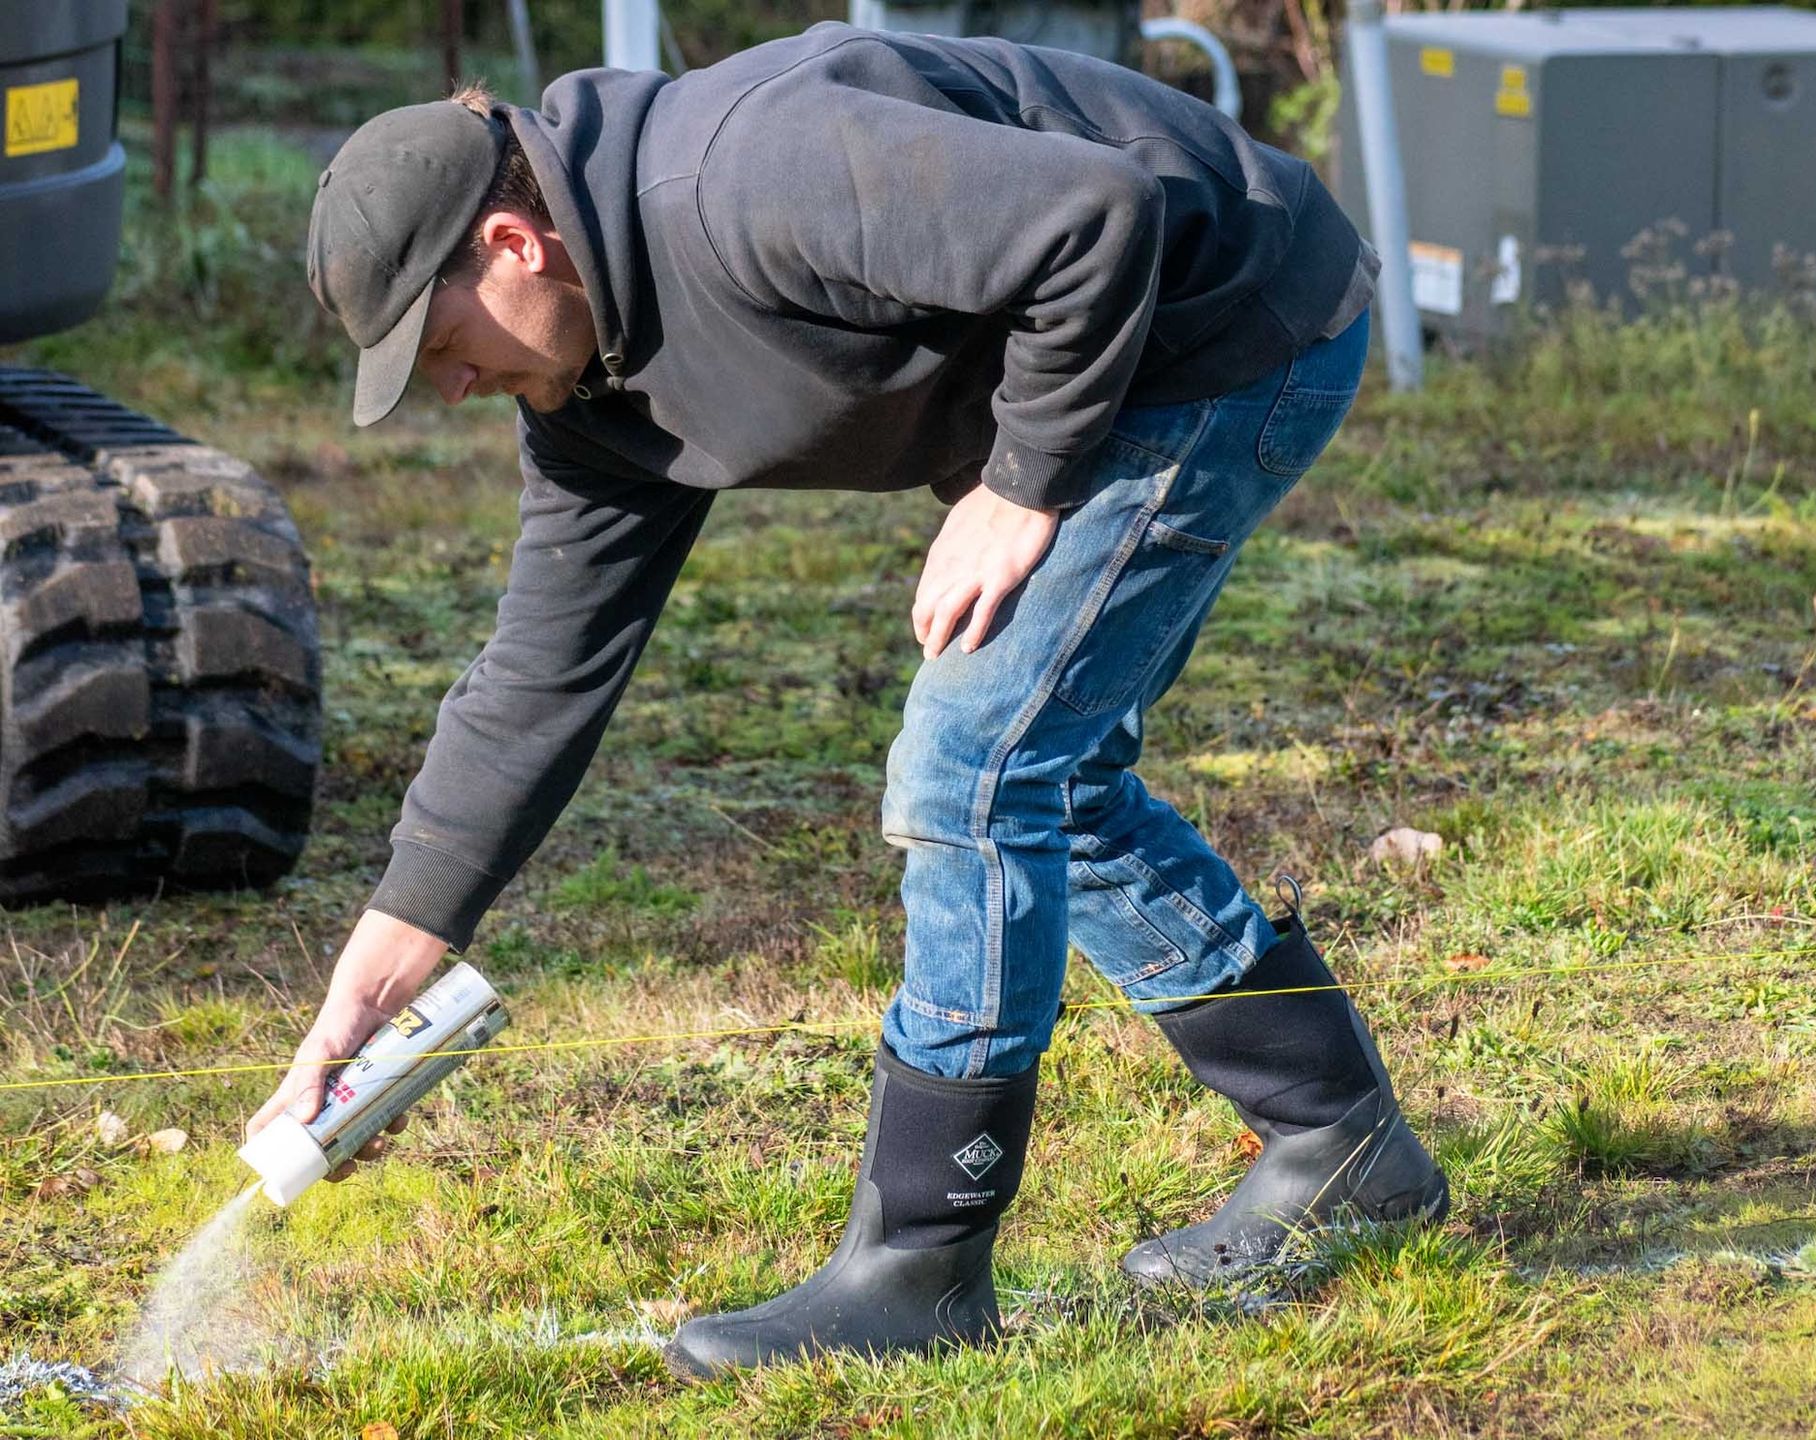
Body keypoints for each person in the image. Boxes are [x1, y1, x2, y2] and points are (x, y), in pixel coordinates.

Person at [248, 20, 1447, 1379]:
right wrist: (381, 971)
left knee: (971, 770)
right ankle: (1341, 1142)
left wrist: (1022, 484)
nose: (452, 388)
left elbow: (1093, 217)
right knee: (1044, 776)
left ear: (513, 251)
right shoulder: (589, 397)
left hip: (1222, 324)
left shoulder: (741, 179)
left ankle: (921, 1265)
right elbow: (536, 678)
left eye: (443, 346)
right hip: (1109, 353)